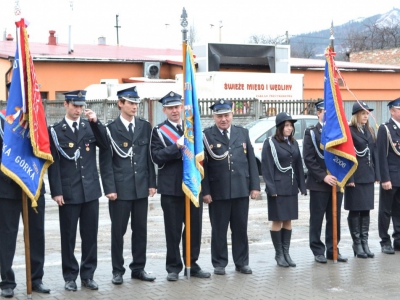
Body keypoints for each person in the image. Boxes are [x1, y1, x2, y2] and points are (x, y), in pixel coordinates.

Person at [47, 90, 108, 291]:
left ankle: (88, 275)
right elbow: (54, 163)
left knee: (90, 236)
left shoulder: (89, 126)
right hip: (69, 191)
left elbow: (105, 145)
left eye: (81, 106)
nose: (79, 110)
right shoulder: (56, 130)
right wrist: (56, 191)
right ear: (66, 104)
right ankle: (70, 276)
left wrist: (96, 123)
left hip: (90, 190)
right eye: (75, 106)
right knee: (69, 236)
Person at [150, 91, 210, 281]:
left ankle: (192, 263)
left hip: (192, 185)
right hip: (171, 188)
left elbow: (202, 159)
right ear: (164, 110)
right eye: (171, 108)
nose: (175, 111)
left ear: (182, 108)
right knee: (173, 229)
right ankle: (173, 267)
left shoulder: (192, 129)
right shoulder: (158, 131)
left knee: (194, 228)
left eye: (177, 107)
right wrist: (176, 147)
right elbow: (156, 156)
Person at [99, 87, 157, 284]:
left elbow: (148, 157)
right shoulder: (110, 129)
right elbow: (105, 161)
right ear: (120, 104)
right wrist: (109, 188)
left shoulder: (144, 126)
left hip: (140, 186)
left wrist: (151, 183)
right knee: (118, 231)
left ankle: (138, 268)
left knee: (140, 230)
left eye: (136, 103)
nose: (134, 107)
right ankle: (117, 270)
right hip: (120, 189)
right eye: (130, 103)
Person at [202, 99, 260, 275]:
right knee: (219, 229)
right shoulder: (207, 135)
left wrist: (255, 186)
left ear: (232, 115)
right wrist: (206, 191)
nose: (223, 119)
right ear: (214, 117)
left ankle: (241, 262)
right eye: (219, 116)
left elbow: (251, 161)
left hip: (241, 189)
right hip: (218, 192)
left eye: (226, 115)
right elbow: (202, 166)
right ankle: (219, 263)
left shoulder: (242, 133)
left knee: (240, 229)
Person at [0, 117, 50, 298]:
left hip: (33, 186)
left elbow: (45, 150)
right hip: (7, 188)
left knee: (36, 233)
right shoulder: (3, 121)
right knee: (6, 236)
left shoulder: (37, 122)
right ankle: (6, 281)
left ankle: (36, 279)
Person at [302, 101, 348, 263]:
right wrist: (323, 176)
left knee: (334, 218)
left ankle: (333, 249)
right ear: (318, 113)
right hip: (319, 183)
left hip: (337, 182)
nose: (327, 116)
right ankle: (317, 250)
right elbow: (309, 159)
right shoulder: (312, 133)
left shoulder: (339, 132)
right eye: (324, 112)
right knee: (317, 219)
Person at [262, 112, 306, 268]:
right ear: (280, 127)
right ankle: (279, 254)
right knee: (277, 220)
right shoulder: (271, 143)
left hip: (291, 186)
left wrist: (302, 186)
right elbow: (266, 167)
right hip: (277, 187)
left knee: (288, 220)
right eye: (286, 125)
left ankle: (286, 253)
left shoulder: (293, 143)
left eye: (291, 125)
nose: (289, 128)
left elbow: (298, 165)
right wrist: (271, 188)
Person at [345, 102, 380, 258]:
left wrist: (377, 175)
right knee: (355, 209)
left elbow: (375, 154)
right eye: (363, 113)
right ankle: (357, 243)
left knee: (366, 209)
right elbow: (347, 156)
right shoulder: (350, 131)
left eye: (367, 113)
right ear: (356, 115)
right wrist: (349, 177)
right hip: (355, 177)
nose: (366, 116)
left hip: (367, 176)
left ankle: (364, 242)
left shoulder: (370, 130)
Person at [376, 97, 400, 254]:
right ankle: (385, 241)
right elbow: (381, 156)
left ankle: (398, 239)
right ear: (392, 111)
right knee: (386, 210)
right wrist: (385, 178)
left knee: (399, 210)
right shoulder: (385, 128)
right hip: (390, 177)